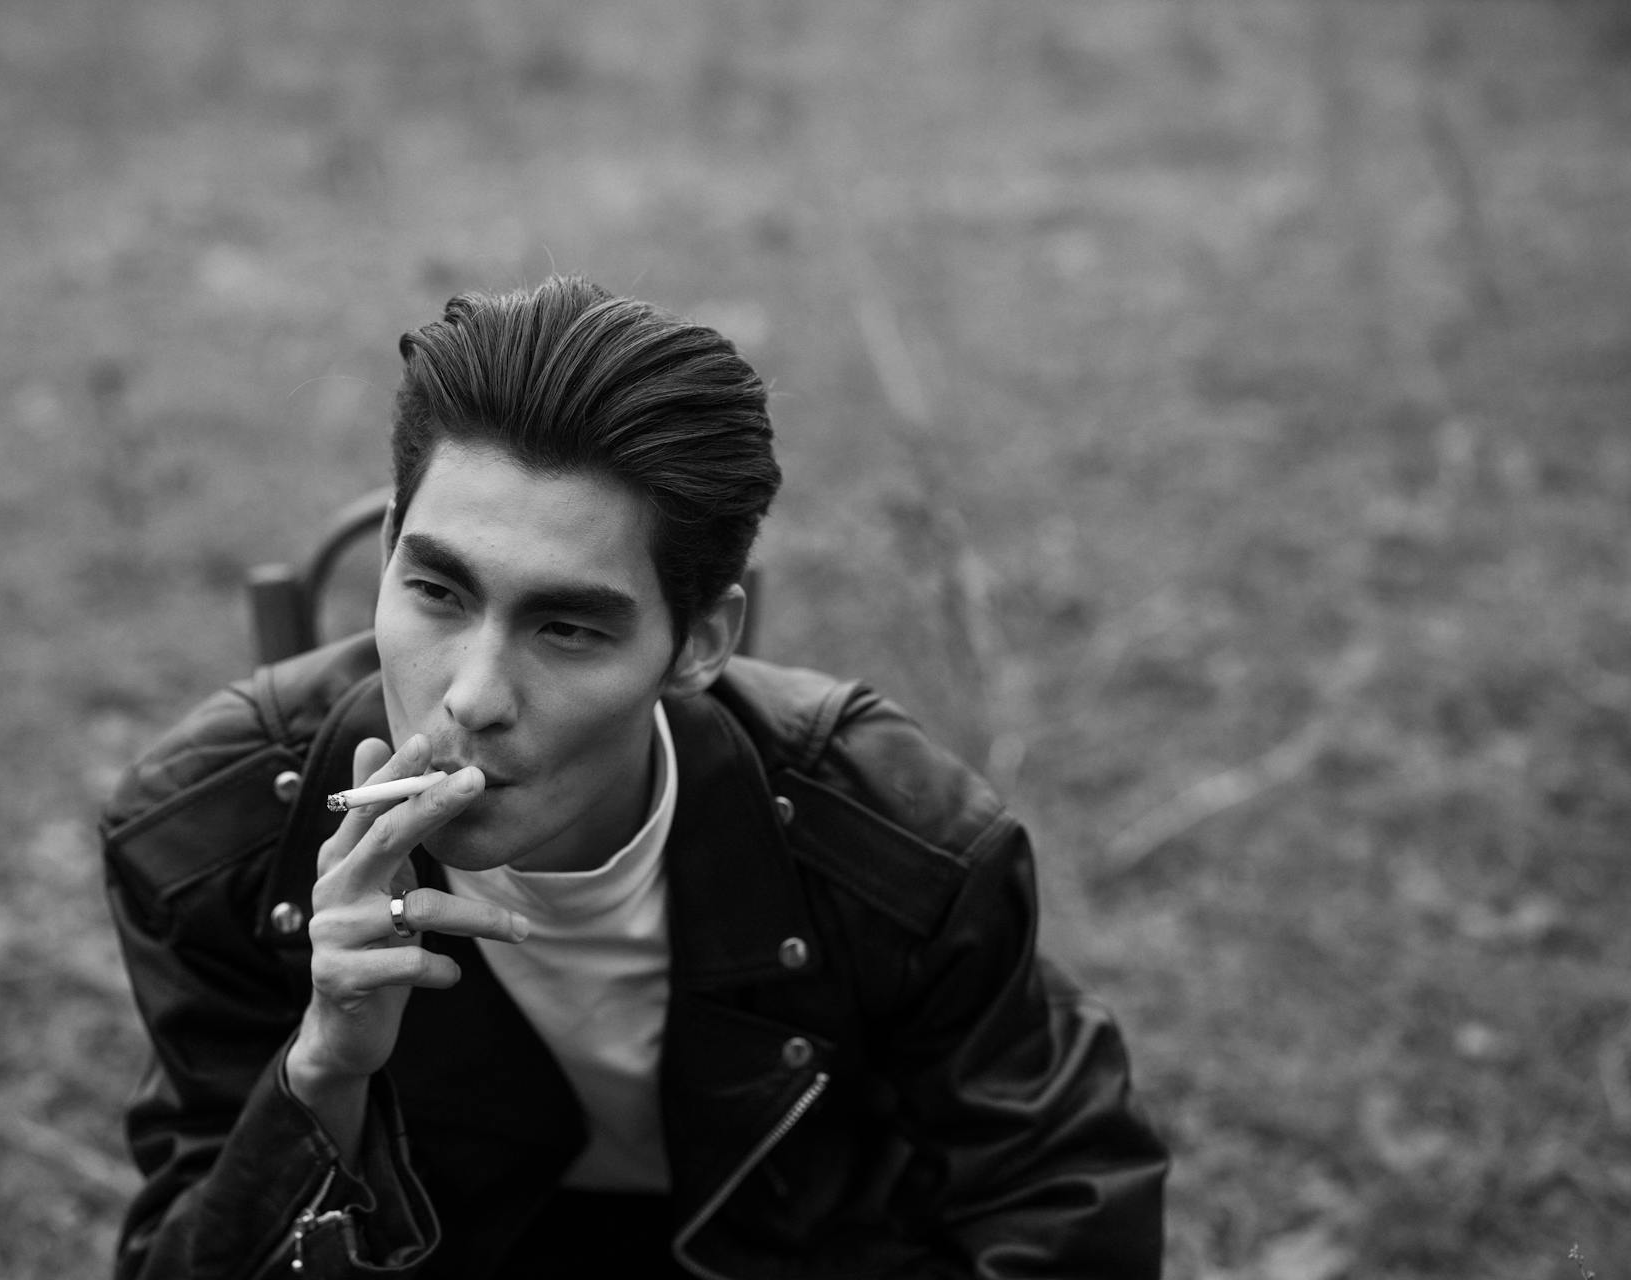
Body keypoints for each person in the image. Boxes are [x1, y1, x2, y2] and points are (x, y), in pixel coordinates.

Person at [100, 275, 1168, 1279]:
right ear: (384, 550)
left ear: (699, 641)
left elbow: (1063, 1195)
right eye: (435, 589)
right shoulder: (208, 837)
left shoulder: (898, 841)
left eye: (566, 627)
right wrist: (322, 1074)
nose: (474, 696)